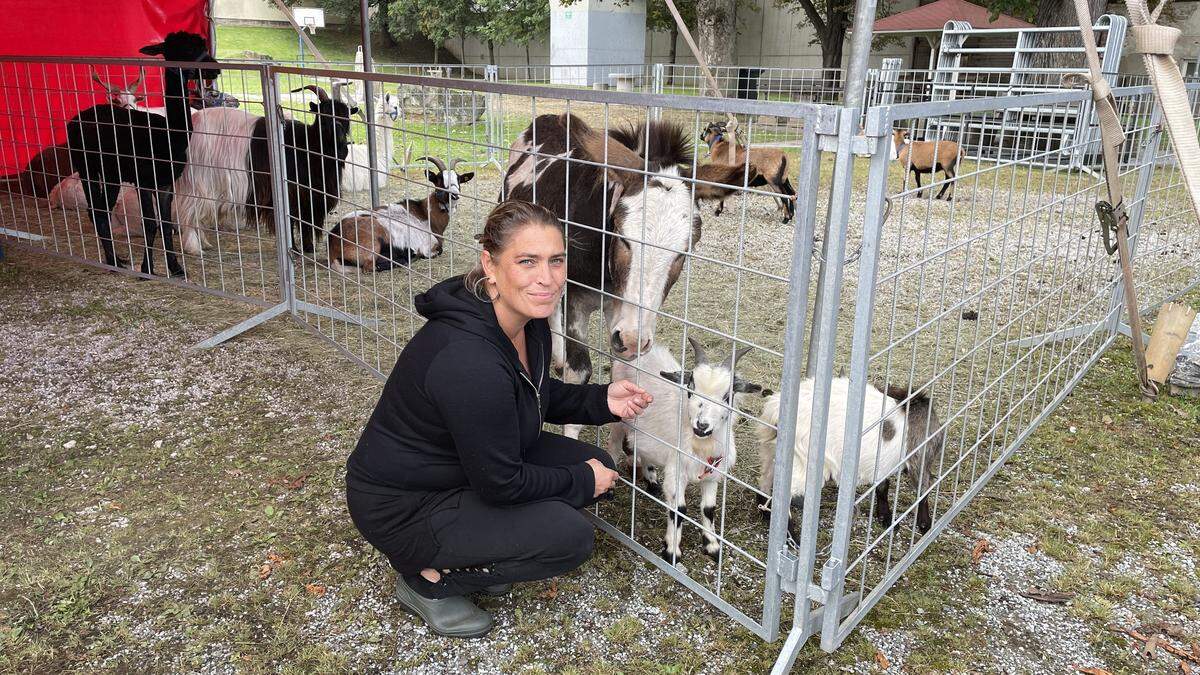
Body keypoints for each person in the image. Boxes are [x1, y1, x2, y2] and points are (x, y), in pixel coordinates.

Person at [346, 200, 653, 638]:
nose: (546, 278)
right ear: (489, 264)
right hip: (404, 505)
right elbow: (502, 483)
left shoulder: (527, 320)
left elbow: (534, 393)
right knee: (569, 536)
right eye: (527, 262)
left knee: (591, 461)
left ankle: (477, 544)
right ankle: (427, 582)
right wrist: (580, 483)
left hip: (460, 466)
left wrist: (603, 399)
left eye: (556, 260)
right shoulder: (468, 359)